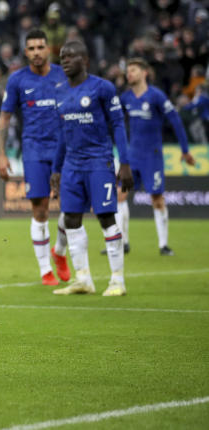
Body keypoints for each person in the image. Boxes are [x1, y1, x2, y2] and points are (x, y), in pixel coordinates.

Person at [50, 40, 133, 297]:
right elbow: (63, 133)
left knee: (106, 217)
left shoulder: (103, 88)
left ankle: (117, 280)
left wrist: (125, 163)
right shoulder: (60, 92)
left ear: (85, 60)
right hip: (72, 165)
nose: (64, 60)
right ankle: (83, 279)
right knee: (71, 219)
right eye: (62, 57)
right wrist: (56, 168)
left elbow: (118, 125)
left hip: (99, 162)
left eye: (70, 56)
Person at [0, 30, 71, 286]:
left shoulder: (63, 75)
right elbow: (4, 116)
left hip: (65, 149)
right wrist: (2, 154)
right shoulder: (17, 80)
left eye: (41, 47)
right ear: (26, 52)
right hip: (34, 150)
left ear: (49, 48)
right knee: (39, 208)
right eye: (31, 48)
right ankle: (45, 270)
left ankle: (59, 252)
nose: (37, 52)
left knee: (72, 207)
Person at [114, 58, 194, 256]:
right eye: (128, 71)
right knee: (119, 195)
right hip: (132, 157)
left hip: (153, 157)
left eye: (133, 70)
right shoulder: (126, 98)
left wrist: (184, 150)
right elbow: (113, 120)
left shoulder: (156, 96)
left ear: (144, 73)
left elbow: (175, 121)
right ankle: (122, 243)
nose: (129, 74)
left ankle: (163, 245)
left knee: (157, 199)